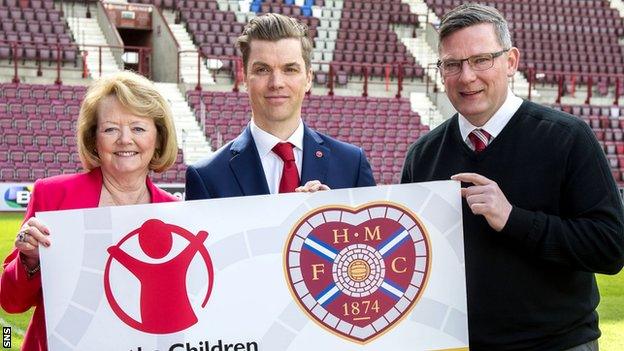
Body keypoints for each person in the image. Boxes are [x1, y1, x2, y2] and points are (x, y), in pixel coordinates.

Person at [400, 3, 624, 350]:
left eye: (481, 59)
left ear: (511, 61)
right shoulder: (423, 155)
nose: (467, 76)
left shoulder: (567, 138)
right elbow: (409, 257)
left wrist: (513, 220)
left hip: (556, 344)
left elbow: (611, 248)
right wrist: (318, 207)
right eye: (453, 64)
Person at [0, 71, 180, 351]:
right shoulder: (53, 195)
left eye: (138, 128)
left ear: (158, 138)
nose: (124, 139)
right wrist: (30, 260)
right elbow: (11, 302)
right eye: (110, 129)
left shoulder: (177, 215)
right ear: (94, 139)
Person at [185, 13, 375, 199]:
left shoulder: (352, 165)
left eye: (290, 69)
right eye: (262, 70)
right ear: (244, 78)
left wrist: (331, 216)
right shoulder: (207, 177)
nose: (276, 82)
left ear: (308, 78)